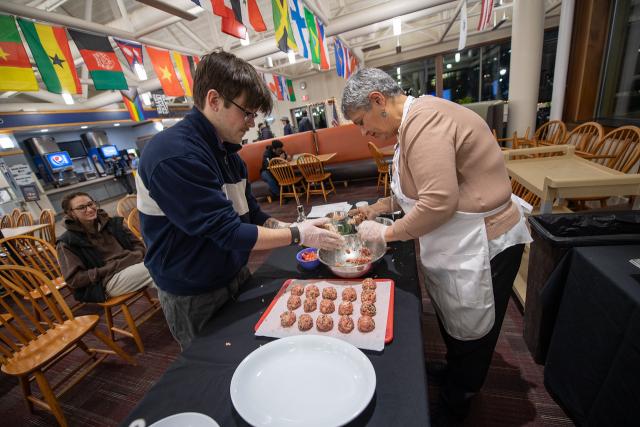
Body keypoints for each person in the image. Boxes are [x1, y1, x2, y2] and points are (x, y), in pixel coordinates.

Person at [342, 68, 532, 424]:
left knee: (475, 325)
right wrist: (380, 207)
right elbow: (412, 191)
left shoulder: (426, 124)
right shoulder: (408, 124)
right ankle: (453, 369)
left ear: (377, 101)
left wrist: (386, 233)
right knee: (454, 316)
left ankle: (460, 396)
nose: (364, 133)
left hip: (483, 241)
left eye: (361, 122)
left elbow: (438, 203)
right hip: (457, 239)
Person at [135, 51, 343, 350]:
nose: (250, 123)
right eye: (246, 113)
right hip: (193, 289)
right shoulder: (174, 155)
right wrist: (298, 235)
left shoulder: (229, 154)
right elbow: (226, 232)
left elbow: (252, 215)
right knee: (212, 369)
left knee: (247, 348)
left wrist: (299, 225)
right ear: (214, 100)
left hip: (234, 272)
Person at [56, 192, 154, 303]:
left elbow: (139, 245)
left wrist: (133, 257)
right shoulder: (67, 242)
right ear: (70, 213)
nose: (89, 209)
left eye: (90, 204)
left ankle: (175, 315)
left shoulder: (112, 223)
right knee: (158, 269)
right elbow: (75, 280)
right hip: (106, 281)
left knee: (164, 272)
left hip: (135, 265)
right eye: (82, 207)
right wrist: (113, 266)